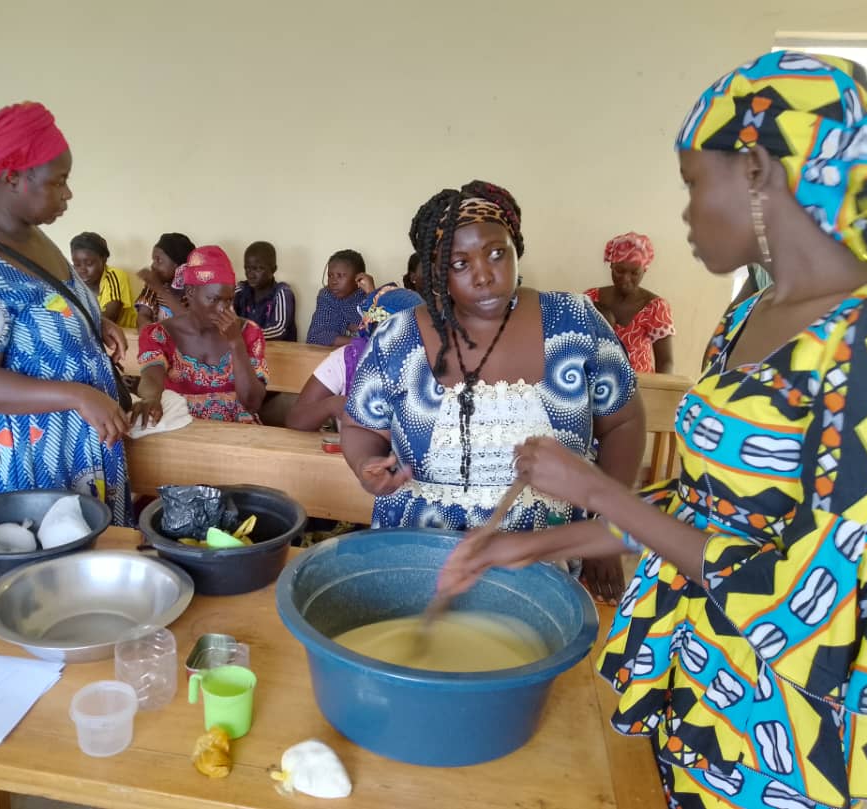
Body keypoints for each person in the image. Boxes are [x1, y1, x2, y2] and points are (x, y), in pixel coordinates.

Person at [438, 52, 867, 809]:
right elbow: (702, 512)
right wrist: (528, 546)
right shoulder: (750, 314)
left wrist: (592, 489)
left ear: (755, 172)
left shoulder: (866, 342)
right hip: (701, 685)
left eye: (691, 182)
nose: (682, 214)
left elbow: (810, 596)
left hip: (796, 731)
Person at [341, 180, 646, 602]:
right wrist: (366, 464)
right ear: (435, 272)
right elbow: (359, 426)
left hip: (542, 566)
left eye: (497, 253)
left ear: (517, 247)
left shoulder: (574, 322)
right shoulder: (398, 337)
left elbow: (625, 422)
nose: (484, 275)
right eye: (459, 264)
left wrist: (603, 529)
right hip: (416, 562)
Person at [0, 101, 131, 525]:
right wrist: (77, 395)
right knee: (30, 582)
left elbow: (47, 308)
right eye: (58, 181)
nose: (68, 193)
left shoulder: (35, 240)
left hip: (68, 448)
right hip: (16, 462)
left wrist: (95, 322)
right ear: (13, 178)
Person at [136, 245, 268, 423]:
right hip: (182, 429)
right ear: (190, 292)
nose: (223, 309)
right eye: (214, 299)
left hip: (238, 436)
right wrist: (150, 399)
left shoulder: (248, 332)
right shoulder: (160, 334)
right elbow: (151, 375)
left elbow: (252, 403)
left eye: (229, 300)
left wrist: (236, 344)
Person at [287, 283, 423, 432]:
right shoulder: (346, 360)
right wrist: (332, 405)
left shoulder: (432, 368)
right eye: (386, 331)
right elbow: (296, 420)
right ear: (371, 329)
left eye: (408, 334)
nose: (396, 343)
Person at [584, 232, 675, 374]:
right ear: (611, 266)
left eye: (634, 273)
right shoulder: (590, 298)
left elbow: (665, 361)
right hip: (598, 384)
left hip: (641, 388)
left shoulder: (655, 307)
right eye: (620, 271)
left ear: (644, 270)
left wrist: (660, 392)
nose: (626, 279)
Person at [70, 231, 137, 328]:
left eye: (89, 263)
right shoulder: (72, 280)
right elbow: (65, 311)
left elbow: (110, 317)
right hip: (92, 336)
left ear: (104, 259)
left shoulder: (115, 275)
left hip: (125, 335)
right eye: (77, 265)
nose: (82, 270)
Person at [233, 241, 297, 341]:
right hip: (247, 351)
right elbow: (225, 314)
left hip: (279, 352)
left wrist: (244, 334)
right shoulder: (241, 290)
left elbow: (278, 330)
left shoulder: (282, 293)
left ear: (273, 269)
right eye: (247, 268)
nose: (251, 275)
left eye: (258, 269)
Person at [305, 249, 369, 346]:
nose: (333, 281)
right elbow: (314, 337)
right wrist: (358, 342)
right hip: (326, 355)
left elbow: (380, 336)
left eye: (340, 276)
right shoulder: (326, 296)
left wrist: (371, 293)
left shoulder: (368, 298)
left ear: (359, 278)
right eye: (330, 275)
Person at [134, 232, 194, 328]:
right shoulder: (153, 284)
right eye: (153, 260)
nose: (153, 266)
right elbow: (142, 316)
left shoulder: (193, 291)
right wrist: (152, 334)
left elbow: (190, 325)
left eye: (159, 260)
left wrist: (160, 289)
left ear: (178, 265)